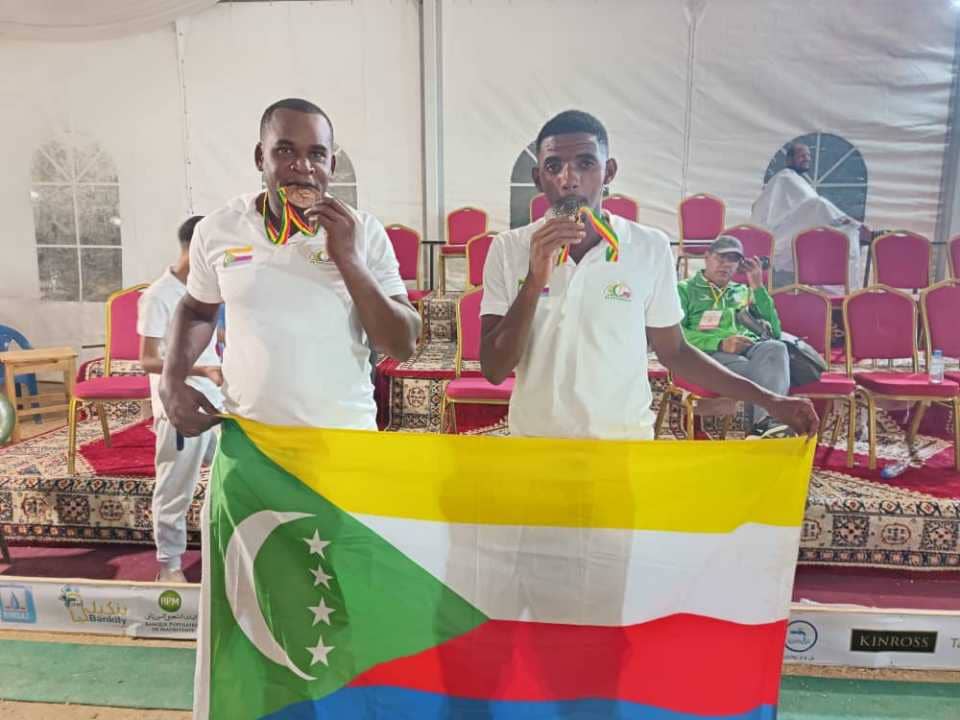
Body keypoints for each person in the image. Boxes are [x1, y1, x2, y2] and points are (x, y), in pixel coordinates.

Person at [479, 109, 818, 441]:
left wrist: (769, 399)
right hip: (537, 440)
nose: (569, 178)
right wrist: (536, 278)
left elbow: (675, 352)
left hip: (623, 440)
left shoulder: (649, 246)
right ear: (539, 178)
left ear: (609, 171)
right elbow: (494, 370)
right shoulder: (509, 249)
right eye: (554, 166)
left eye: (585, 163)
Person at [160, 98, 420, 435]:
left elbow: (401, 344)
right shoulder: (218, 229)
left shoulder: (363, 231)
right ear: (260, 157)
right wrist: (171, 377)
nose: (303, 166)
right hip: (249, 437)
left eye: (316, 154)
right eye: (285, 151)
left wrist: (349, 259)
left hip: (344, 436)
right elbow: (197, 310)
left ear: (331, 163)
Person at [138, 215, 223, 582]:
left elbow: (215, 341)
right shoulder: (158, 295)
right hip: (179, 401)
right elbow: (146, 359)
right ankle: (169, 566)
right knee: (176, 485)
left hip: (218, 397)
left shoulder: (209, 289)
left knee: (228, 478)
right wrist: (201, 371)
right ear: (196, 248)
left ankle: (222, 551)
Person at [678, 235, 792, 438]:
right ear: (707, 257)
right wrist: (720, 343)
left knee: (777, 348)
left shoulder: (742, 291)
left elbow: (774, 330)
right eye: (721, 258)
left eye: (733, 259)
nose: (726, 265)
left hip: (750, 348)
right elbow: (675, 334)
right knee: (759, 373)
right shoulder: (685, 289)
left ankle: (764, 425)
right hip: (707, 354)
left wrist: (757, 286)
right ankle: (765, 427)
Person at [751, 142, 870, 291]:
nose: (806, 158)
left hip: (790, 232)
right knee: (841, 227)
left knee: (837, 238)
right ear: (789, 159)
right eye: (801, 155)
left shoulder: (797, 179)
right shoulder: (786, 178)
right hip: (780, 233)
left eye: (808, 155)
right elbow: (814, 206)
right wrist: (849, 222)